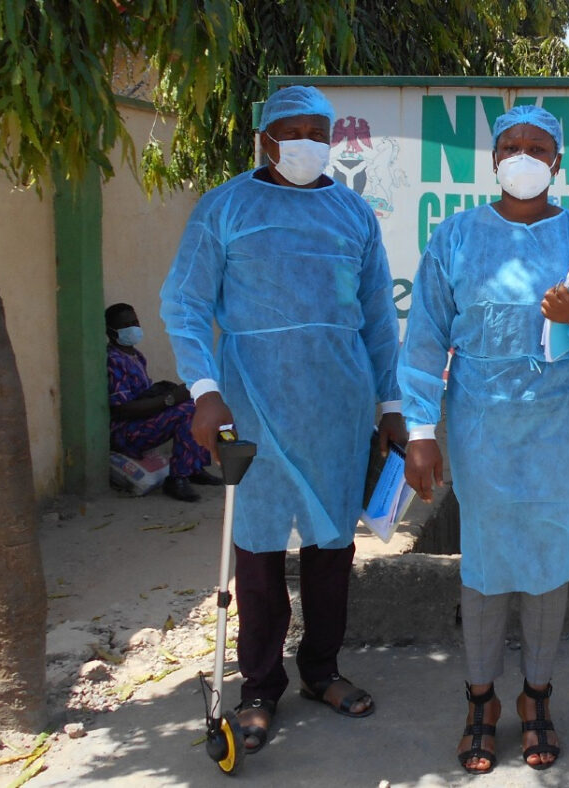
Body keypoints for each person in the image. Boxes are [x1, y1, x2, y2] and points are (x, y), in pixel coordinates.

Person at [160, 85, 405, 755]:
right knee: (259, 556)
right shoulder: (227, 207)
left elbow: (380, 321)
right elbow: (183, 301)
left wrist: (390, 406)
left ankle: (321, 670)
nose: (307, 142)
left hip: (339, 408)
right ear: (266, 139)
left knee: (332, 552)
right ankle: (259, 688)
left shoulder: (354, 214)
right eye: (292, 130)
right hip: (252, 406)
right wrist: (204, 389)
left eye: (318, 131)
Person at [399, 105, 569, 774]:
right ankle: (481, 700)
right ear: (494, 158)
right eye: (512, 146)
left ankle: (537, 695)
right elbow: (423, 340)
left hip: (562, 427)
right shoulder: (454, 238)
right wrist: (422, 430)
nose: (524, 156)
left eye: (539, 147)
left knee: (546, 564)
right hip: (482, 424)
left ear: (558, 163)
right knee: (485, 564)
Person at [105, 302, 221, 502]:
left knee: (200, 403)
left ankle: (193, 466)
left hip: (143, 421)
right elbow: (123, 408)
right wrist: (170, 399)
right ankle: (177, 478)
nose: (134, 327)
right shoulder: (113, 360)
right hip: (126, 431)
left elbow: (143, 394)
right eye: (126, 325)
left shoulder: (135, 356)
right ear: (111, 331)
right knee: (188, 411)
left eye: (135, 322)